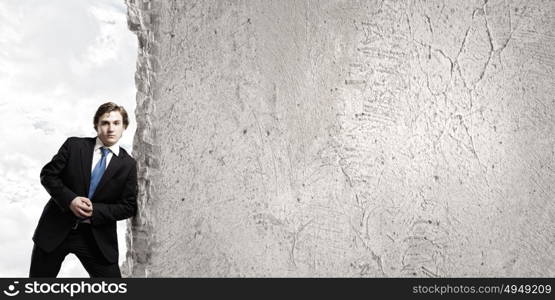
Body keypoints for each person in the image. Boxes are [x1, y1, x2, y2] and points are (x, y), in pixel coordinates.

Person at [29, 102, 138, 277]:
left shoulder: (128, 164)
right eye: (105, 123)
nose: (111, 128)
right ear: (96, 125)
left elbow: (128, 206)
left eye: (116, 123)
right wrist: (70, 200)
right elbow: (48, 175)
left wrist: (95, 211)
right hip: (55, 231)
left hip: (97, 239)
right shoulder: (74, 146)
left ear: (124, 126)